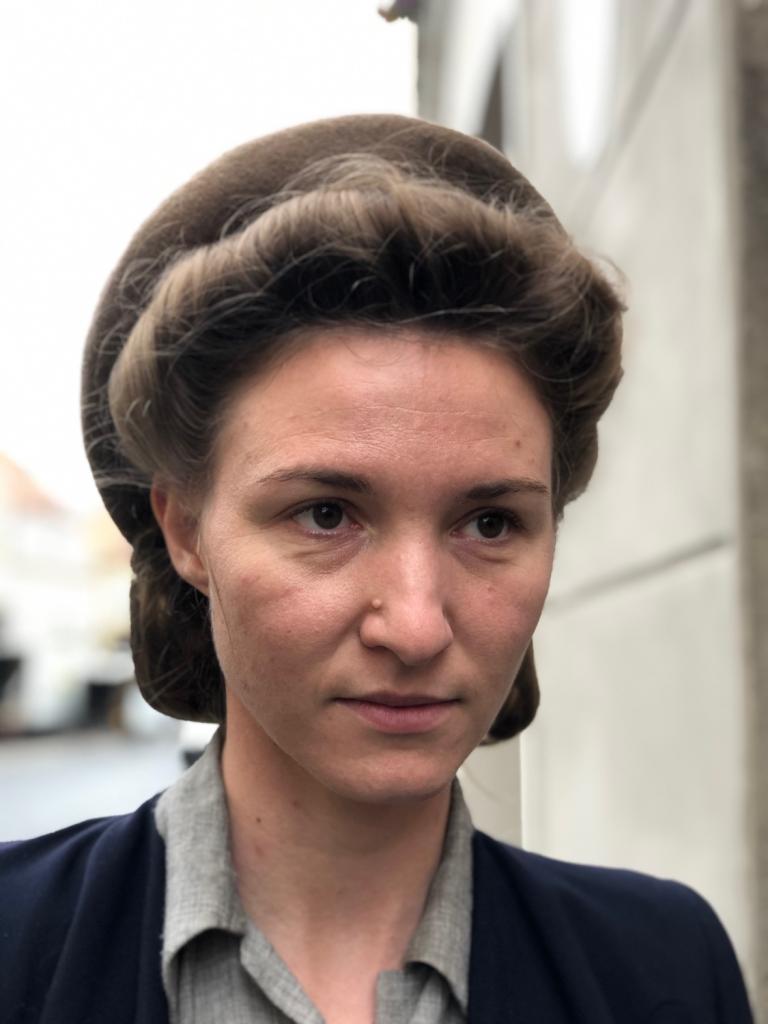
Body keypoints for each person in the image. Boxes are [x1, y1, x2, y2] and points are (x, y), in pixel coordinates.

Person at [0, 115, 753, 1024]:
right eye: (326, 514)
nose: (417, 625)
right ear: (187, 530)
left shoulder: (666, 974)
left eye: (489, 522)